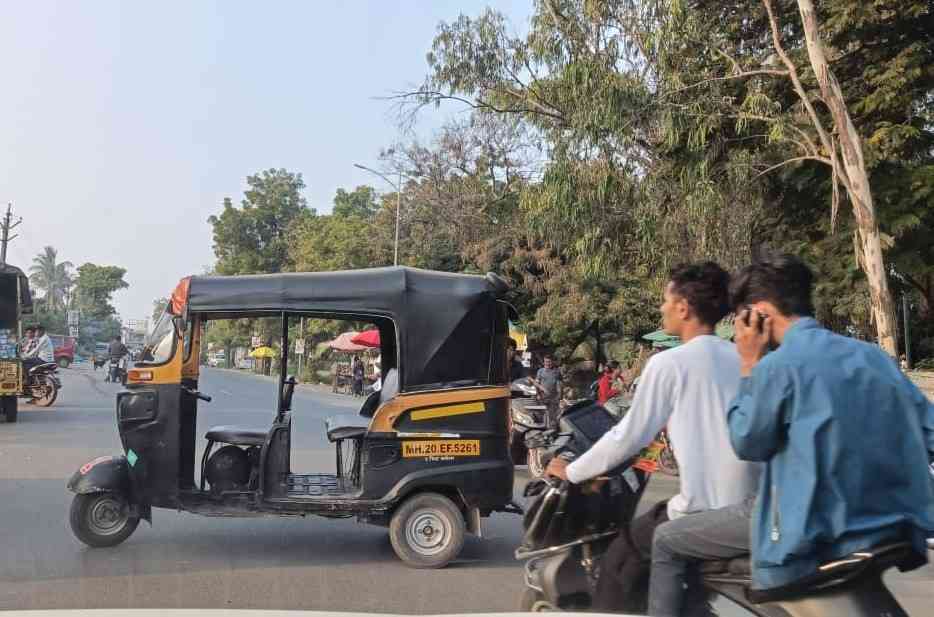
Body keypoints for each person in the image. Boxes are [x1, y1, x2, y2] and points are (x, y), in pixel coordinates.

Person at [545, 262, 760, 613]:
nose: (661, 308)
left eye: (665, 299)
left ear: (683, 307)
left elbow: (628, 436)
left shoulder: (669, 364)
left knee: (618, 561)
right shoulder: (745, 357)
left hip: (702, 513)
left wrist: (571, 471)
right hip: (749, 511)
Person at [724, 254, 934, 593]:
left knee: (670, 544)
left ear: (758, 313)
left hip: (807, 548)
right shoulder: (874, 358)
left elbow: (747, 441)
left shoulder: (778, 367)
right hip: (890, 532)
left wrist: (749, 364)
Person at [532, 355, 561, 427]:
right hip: (542, 398)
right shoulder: (540, 371)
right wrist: (538, 394)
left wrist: (560, 396)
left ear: (552, 362)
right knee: (541, 417)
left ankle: (552, 431)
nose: (547, 363)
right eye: (546, 362)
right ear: (544, 362)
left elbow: (559, 385)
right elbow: (536, 383)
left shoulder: (556, 372)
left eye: (549, 362)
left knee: (553, 418)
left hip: (553, 399)